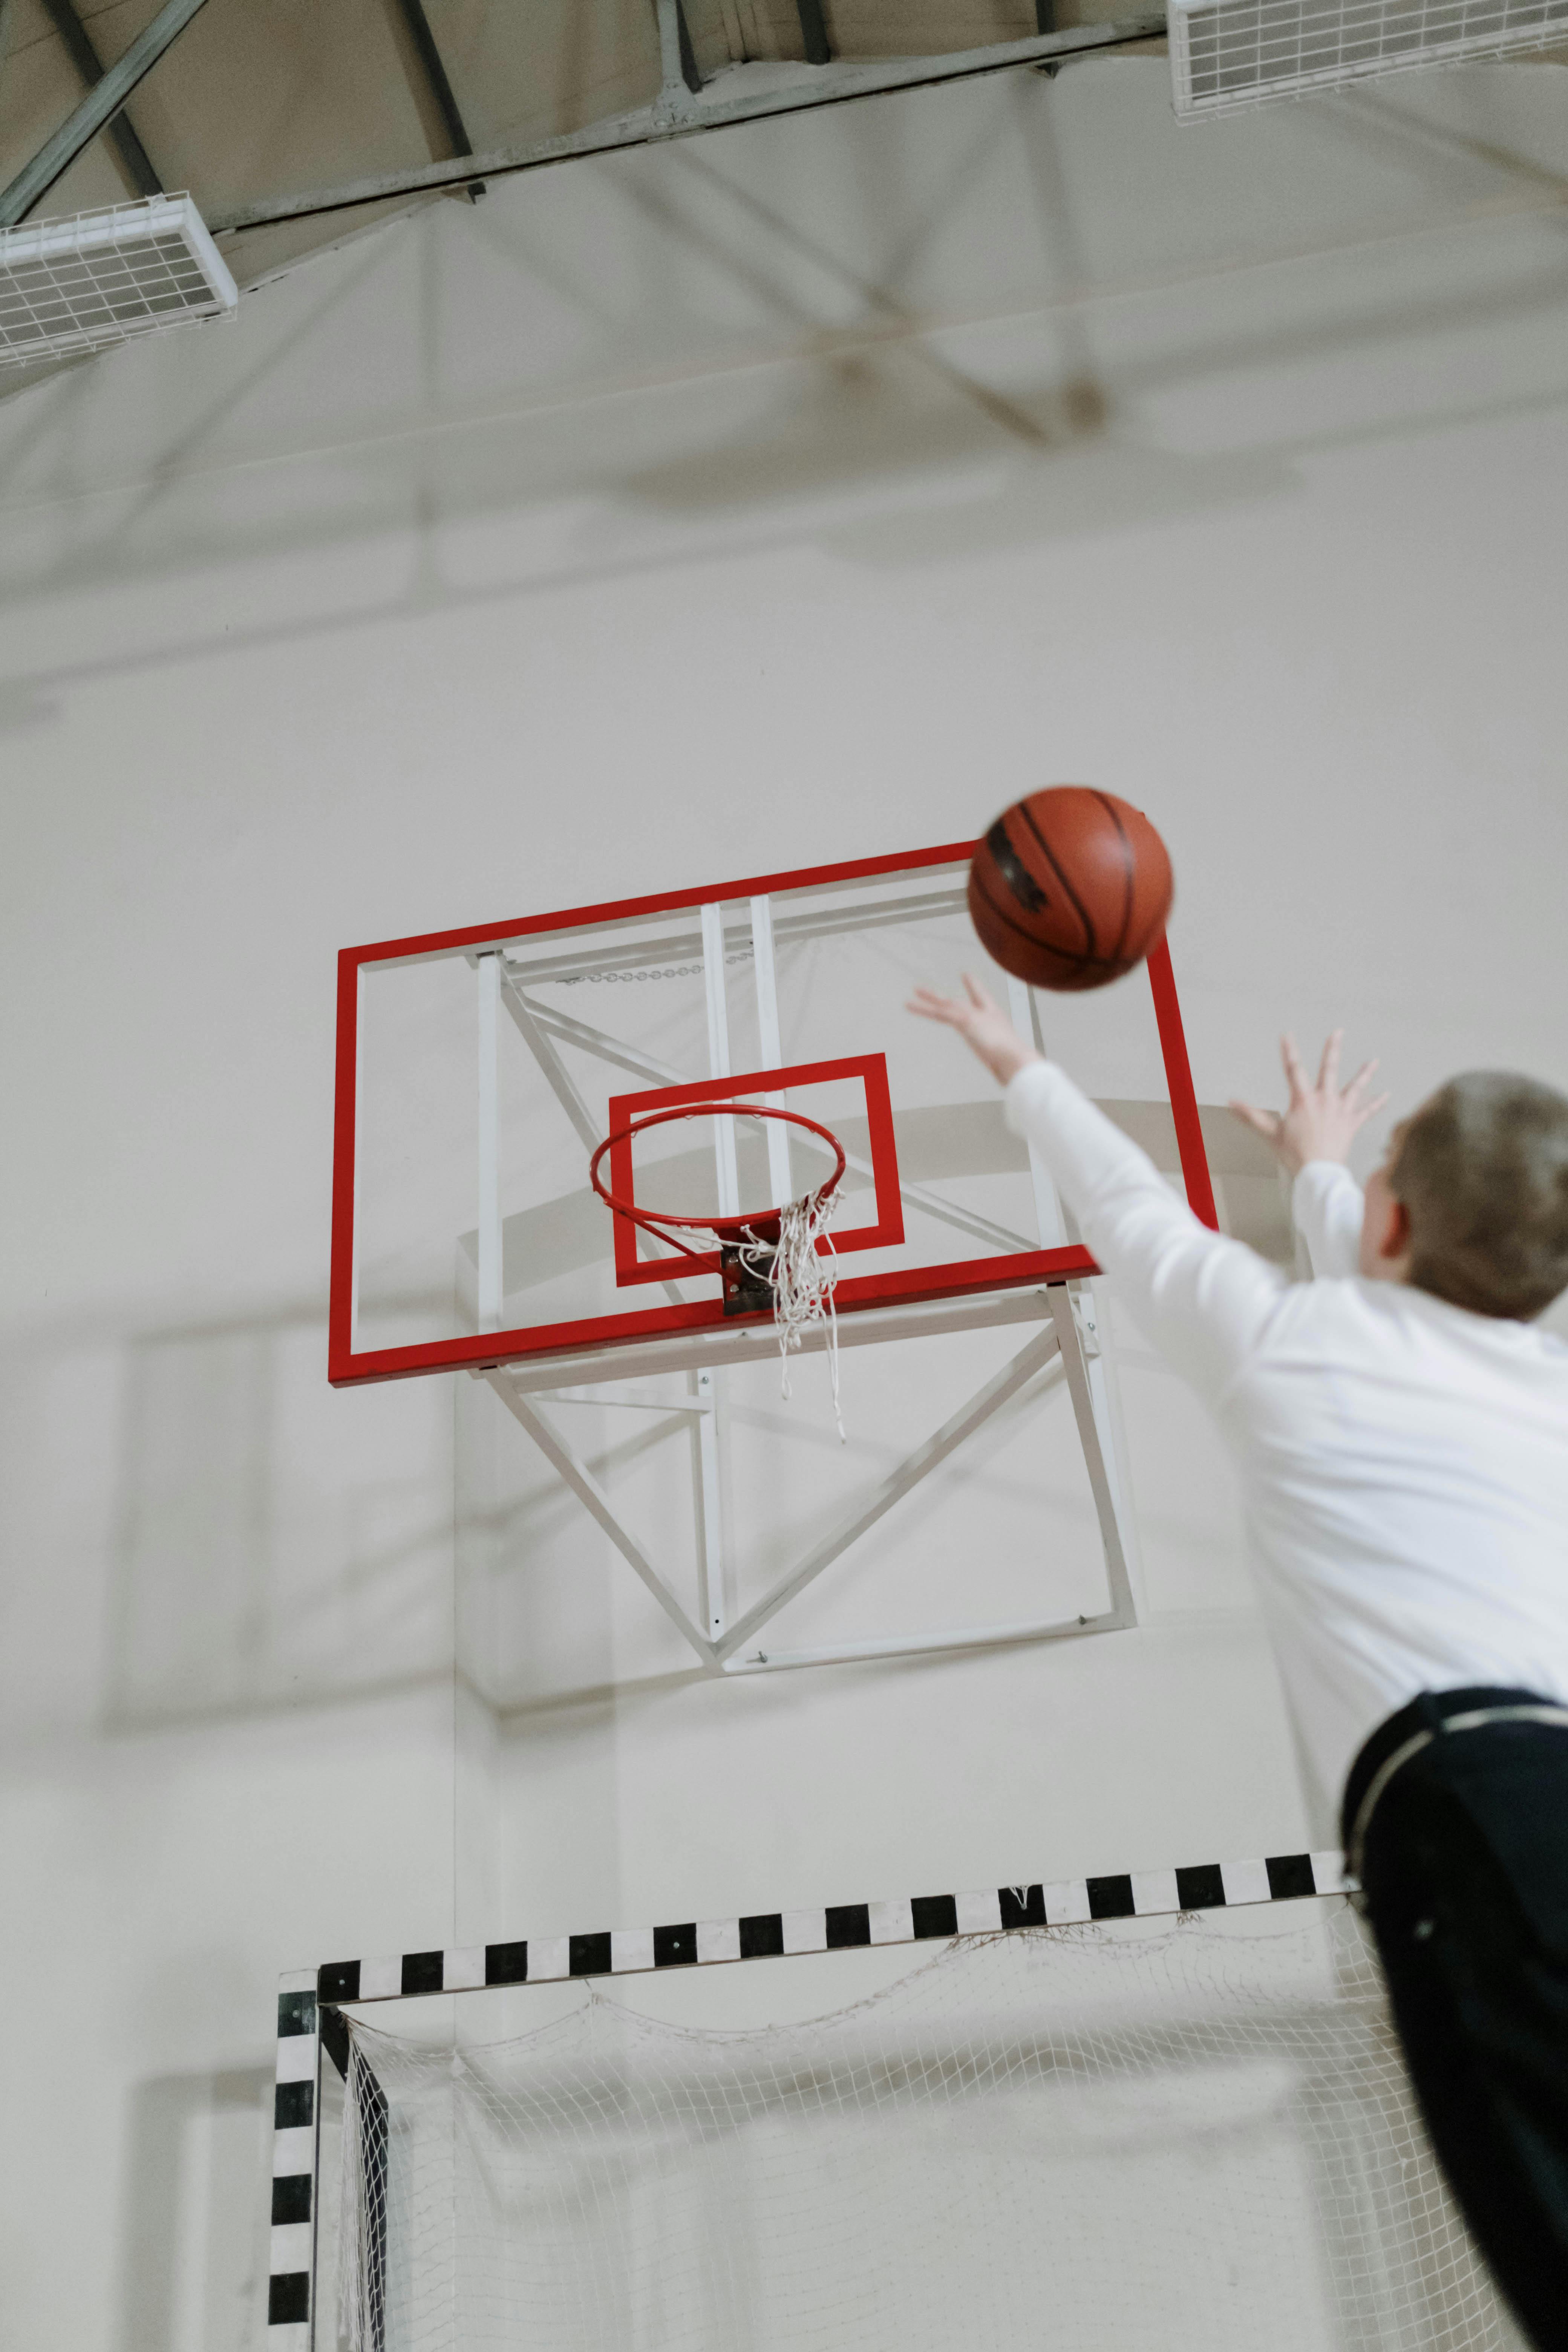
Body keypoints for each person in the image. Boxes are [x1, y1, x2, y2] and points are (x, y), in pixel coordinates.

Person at [911, 974, 1568, 2352]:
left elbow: (1130, 1211)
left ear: (1394, 1218)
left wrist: (1014, 1057)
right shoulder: (1543, 1394)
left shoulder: (1288, 1349)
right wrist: (1331, 1177)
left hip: (1474, 1826)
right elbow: (1414, 1298)